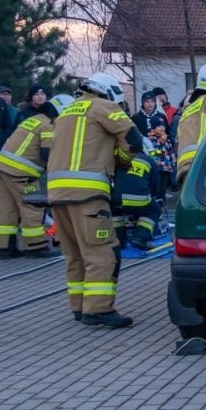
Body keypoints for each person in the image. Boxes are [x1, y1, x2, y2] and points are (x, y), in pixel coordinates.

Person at [48, 73, 135, 327]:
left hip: (58, 194)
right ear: (109, 94)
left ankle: (79, 306)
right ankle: (98, 309)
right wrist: (122, 162)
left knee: (74, 253)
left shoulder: (67, 111)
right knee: (101, 252)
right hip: (88, 195)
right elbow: (133, 140)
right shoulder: (103, 106)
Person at [0, 92, 70, 258]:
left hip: (2, 167)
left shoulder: (35, 119)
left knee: (8, 210)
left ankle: (6, 248)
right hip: (22, 173)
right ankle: (36, 247)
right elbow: (47, 156)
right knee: (32, 208)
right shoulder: (50, 125)